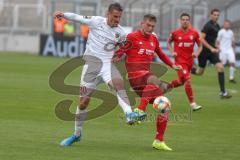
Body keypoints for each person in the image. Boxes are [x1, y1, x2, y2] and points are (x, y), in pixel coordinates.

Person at [55, 2, 144, 147]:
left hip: (107, 66)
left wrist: (119, 55)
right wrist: (63, 15)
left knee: (118, 83)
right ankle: (76, 135)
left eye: (119, 17)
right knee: (83, 103)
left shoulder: (121, 33)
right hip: (90, 67)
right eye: (115, 16)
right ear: (108, 14)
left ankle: (129, 113)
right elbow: (77, 17)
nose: (117, 20)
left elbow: (124, 47)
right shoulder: (96, 21)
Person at [114, 14, 182, 151]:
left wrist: (172, 65)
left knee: (165, 105)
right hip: (135, 77)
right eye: (148, 25)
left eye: (152, 26)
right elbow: (120, 51)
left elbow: (161, 54)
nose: (150, 28)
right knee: (153, 79)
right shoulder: (132, 37)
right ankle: (140, 110)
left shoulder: (154, 39)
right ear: (141, 23)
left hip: (146, 84)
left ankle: (159, 140)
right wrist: (116, 57)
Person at [191, 9, 232, 99]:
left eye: (218, 15)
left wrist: (217, 47)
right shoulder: (207, 26)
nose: (216, 16)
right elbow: (201, 39)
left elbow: (214, 40)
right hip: (204, 52)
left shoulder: (217, 26)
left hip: (212, 52)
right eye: (214, 15)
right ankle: (189, 69)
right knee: (199, 72)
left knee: (220, 67)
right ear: (211, 15)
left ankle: (223, 92)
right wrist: (211, 48)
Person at [167, 13, 202, 111]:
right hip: (180, 62)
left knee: (181, 81)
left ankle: (165, 86)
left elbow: (200, 46)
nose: (185, 21)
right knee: (188, 80)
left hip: (190, 61)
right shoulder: (175, 33)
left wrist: (196, 53)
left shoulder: (194, 33)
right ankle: (193, 104)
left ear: (189, 21)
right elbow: (169, 42)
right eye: (183, 19)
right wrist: (172, 52)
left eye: (187, 19)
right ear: (180, 21)